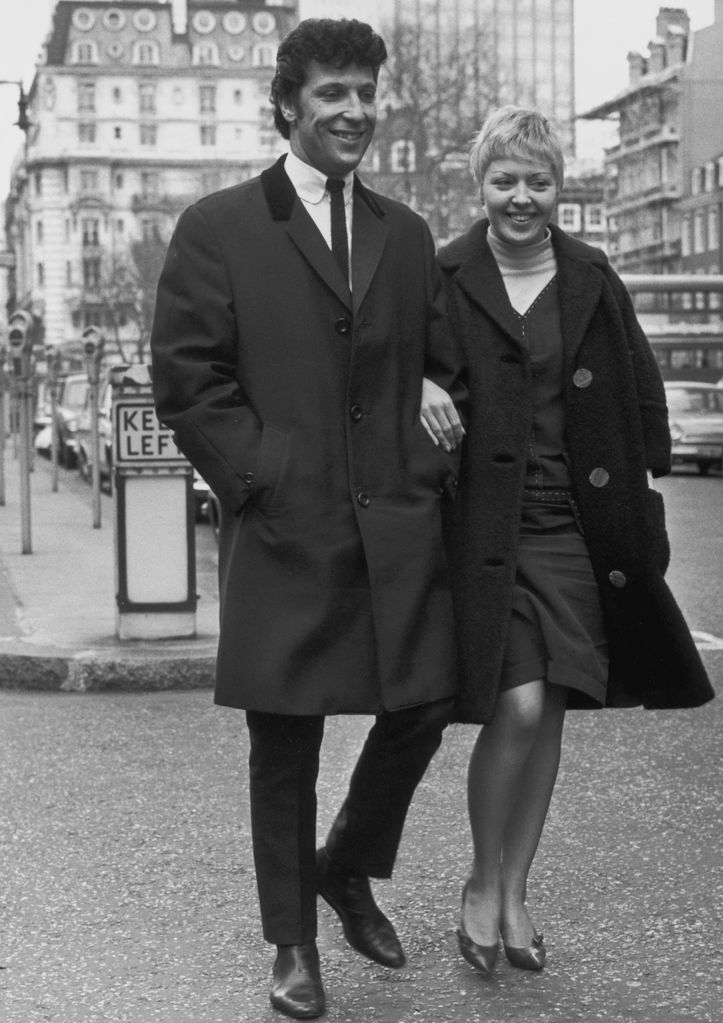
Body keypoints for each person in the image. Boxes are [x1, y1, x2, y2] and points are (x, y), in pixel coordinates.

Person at [150, 19, 464, 1020]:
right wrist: (264, 480)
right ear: (287, 103)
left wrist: (424, 382)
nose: (355, 111)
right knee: (282, 739)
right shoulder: (219, 227)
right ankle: (292, 943)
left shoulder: (405, 234)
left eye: (366, 92)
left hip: (395, 527)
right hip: (286, 525)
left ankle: (344, 864)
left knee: (422, 702)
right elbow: (187, 384)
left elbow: (441, 357)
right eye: (334, 93)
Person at [420, 107, 714, 976]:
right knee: (513, 703)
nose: (521, 198)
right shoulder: (442, 273)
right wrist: (417, 391)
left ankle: (517, 894)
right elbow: (393, 363)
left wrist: (644, 486)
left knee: (551, 712)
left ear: (559, 190)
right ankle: (481, 879)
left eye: (538, 181)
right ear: (480, 185)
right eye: (504, 180)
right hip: (488, 533)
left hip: (580, 533)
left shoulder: (592, 274)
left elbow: (638, 383)